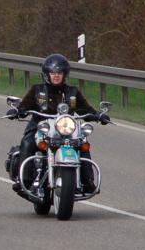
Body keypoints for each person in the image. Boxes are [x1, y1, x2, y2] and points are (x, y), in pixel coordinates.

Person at [6, 53, 110, 195]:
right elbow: (25, 105)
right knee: (27, 143)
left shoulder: (72, 92)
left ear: (64, 75)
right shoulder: (37, 90)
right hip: (41, 126)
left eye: (59, 73)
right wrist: (17, 110)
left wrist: (99, 115)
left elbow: (86, 109)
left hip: (66, 129)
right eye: (53, 73)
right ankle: (24, 180)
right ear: (46, 74)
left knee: (83, 144)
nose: (56, 76)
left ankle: (88, 181)